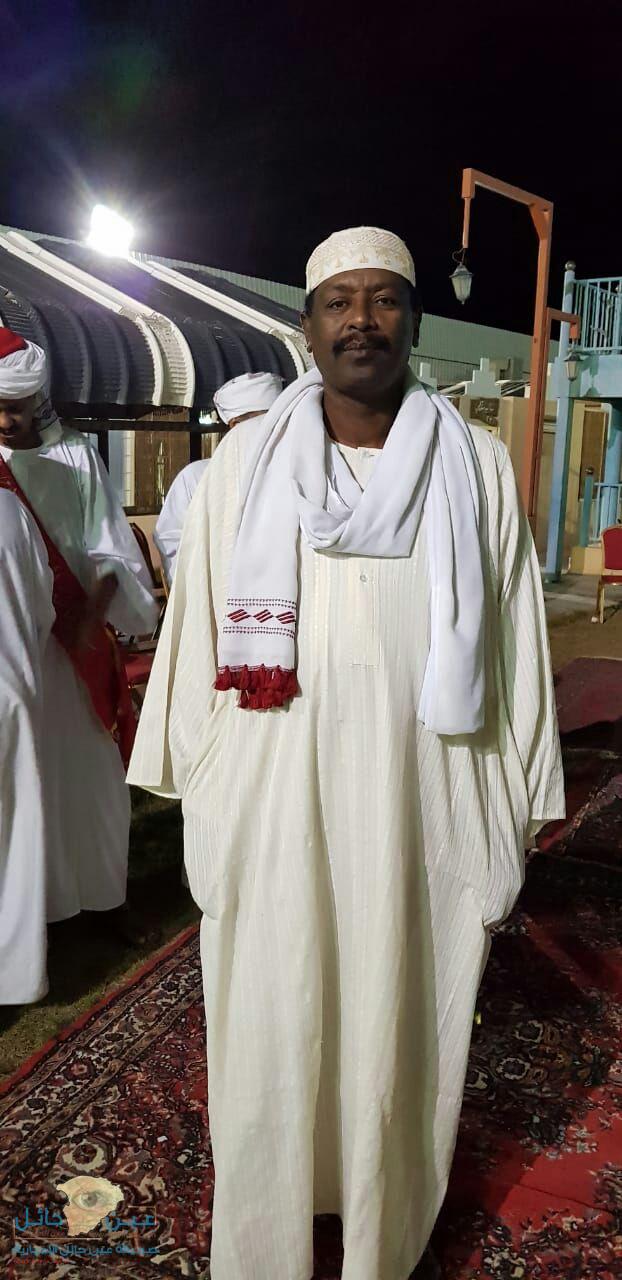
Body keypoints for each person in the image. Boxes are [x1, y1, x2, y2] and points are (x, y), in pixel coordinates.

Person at [128, 227, 564, 1280]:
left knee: (399, 1012)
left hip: (423, 788)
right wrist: (205, 771)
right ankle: (267, 1242)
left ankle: (380, 1234)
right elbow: (198, 631)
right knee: (272, 1008)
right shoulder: (244, 466)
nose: (361, 319)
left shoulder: (471, 464)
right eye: (339, 302)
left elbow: (512, 631)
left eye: (383, 300)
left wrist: (518, 783)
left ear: (413, 321)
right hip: (275, 785)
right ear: (308, 326)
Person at [0, 327, 159, 937]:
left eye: (16, 406)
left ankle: (101, 900)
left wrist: (93, 609)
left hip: (72, 647)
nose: (6, 420)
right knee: (24, 778)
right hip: (13, 646)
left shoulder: (76, 457)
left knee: (89, 780)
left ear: (37, 399)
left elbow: (112, 550)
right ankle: (37, 911)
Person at [0, 490, 54, 1004]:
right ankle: (17, 975)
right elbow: (43, 602)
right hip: (13, 691)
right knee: (16, 832)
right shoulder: (12, 510)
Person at [154, 371, 283, 585]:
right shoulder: (196, 477)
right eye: (258, 422)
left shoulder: (297, 468)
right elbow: (173, 542)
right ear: (234, 426)